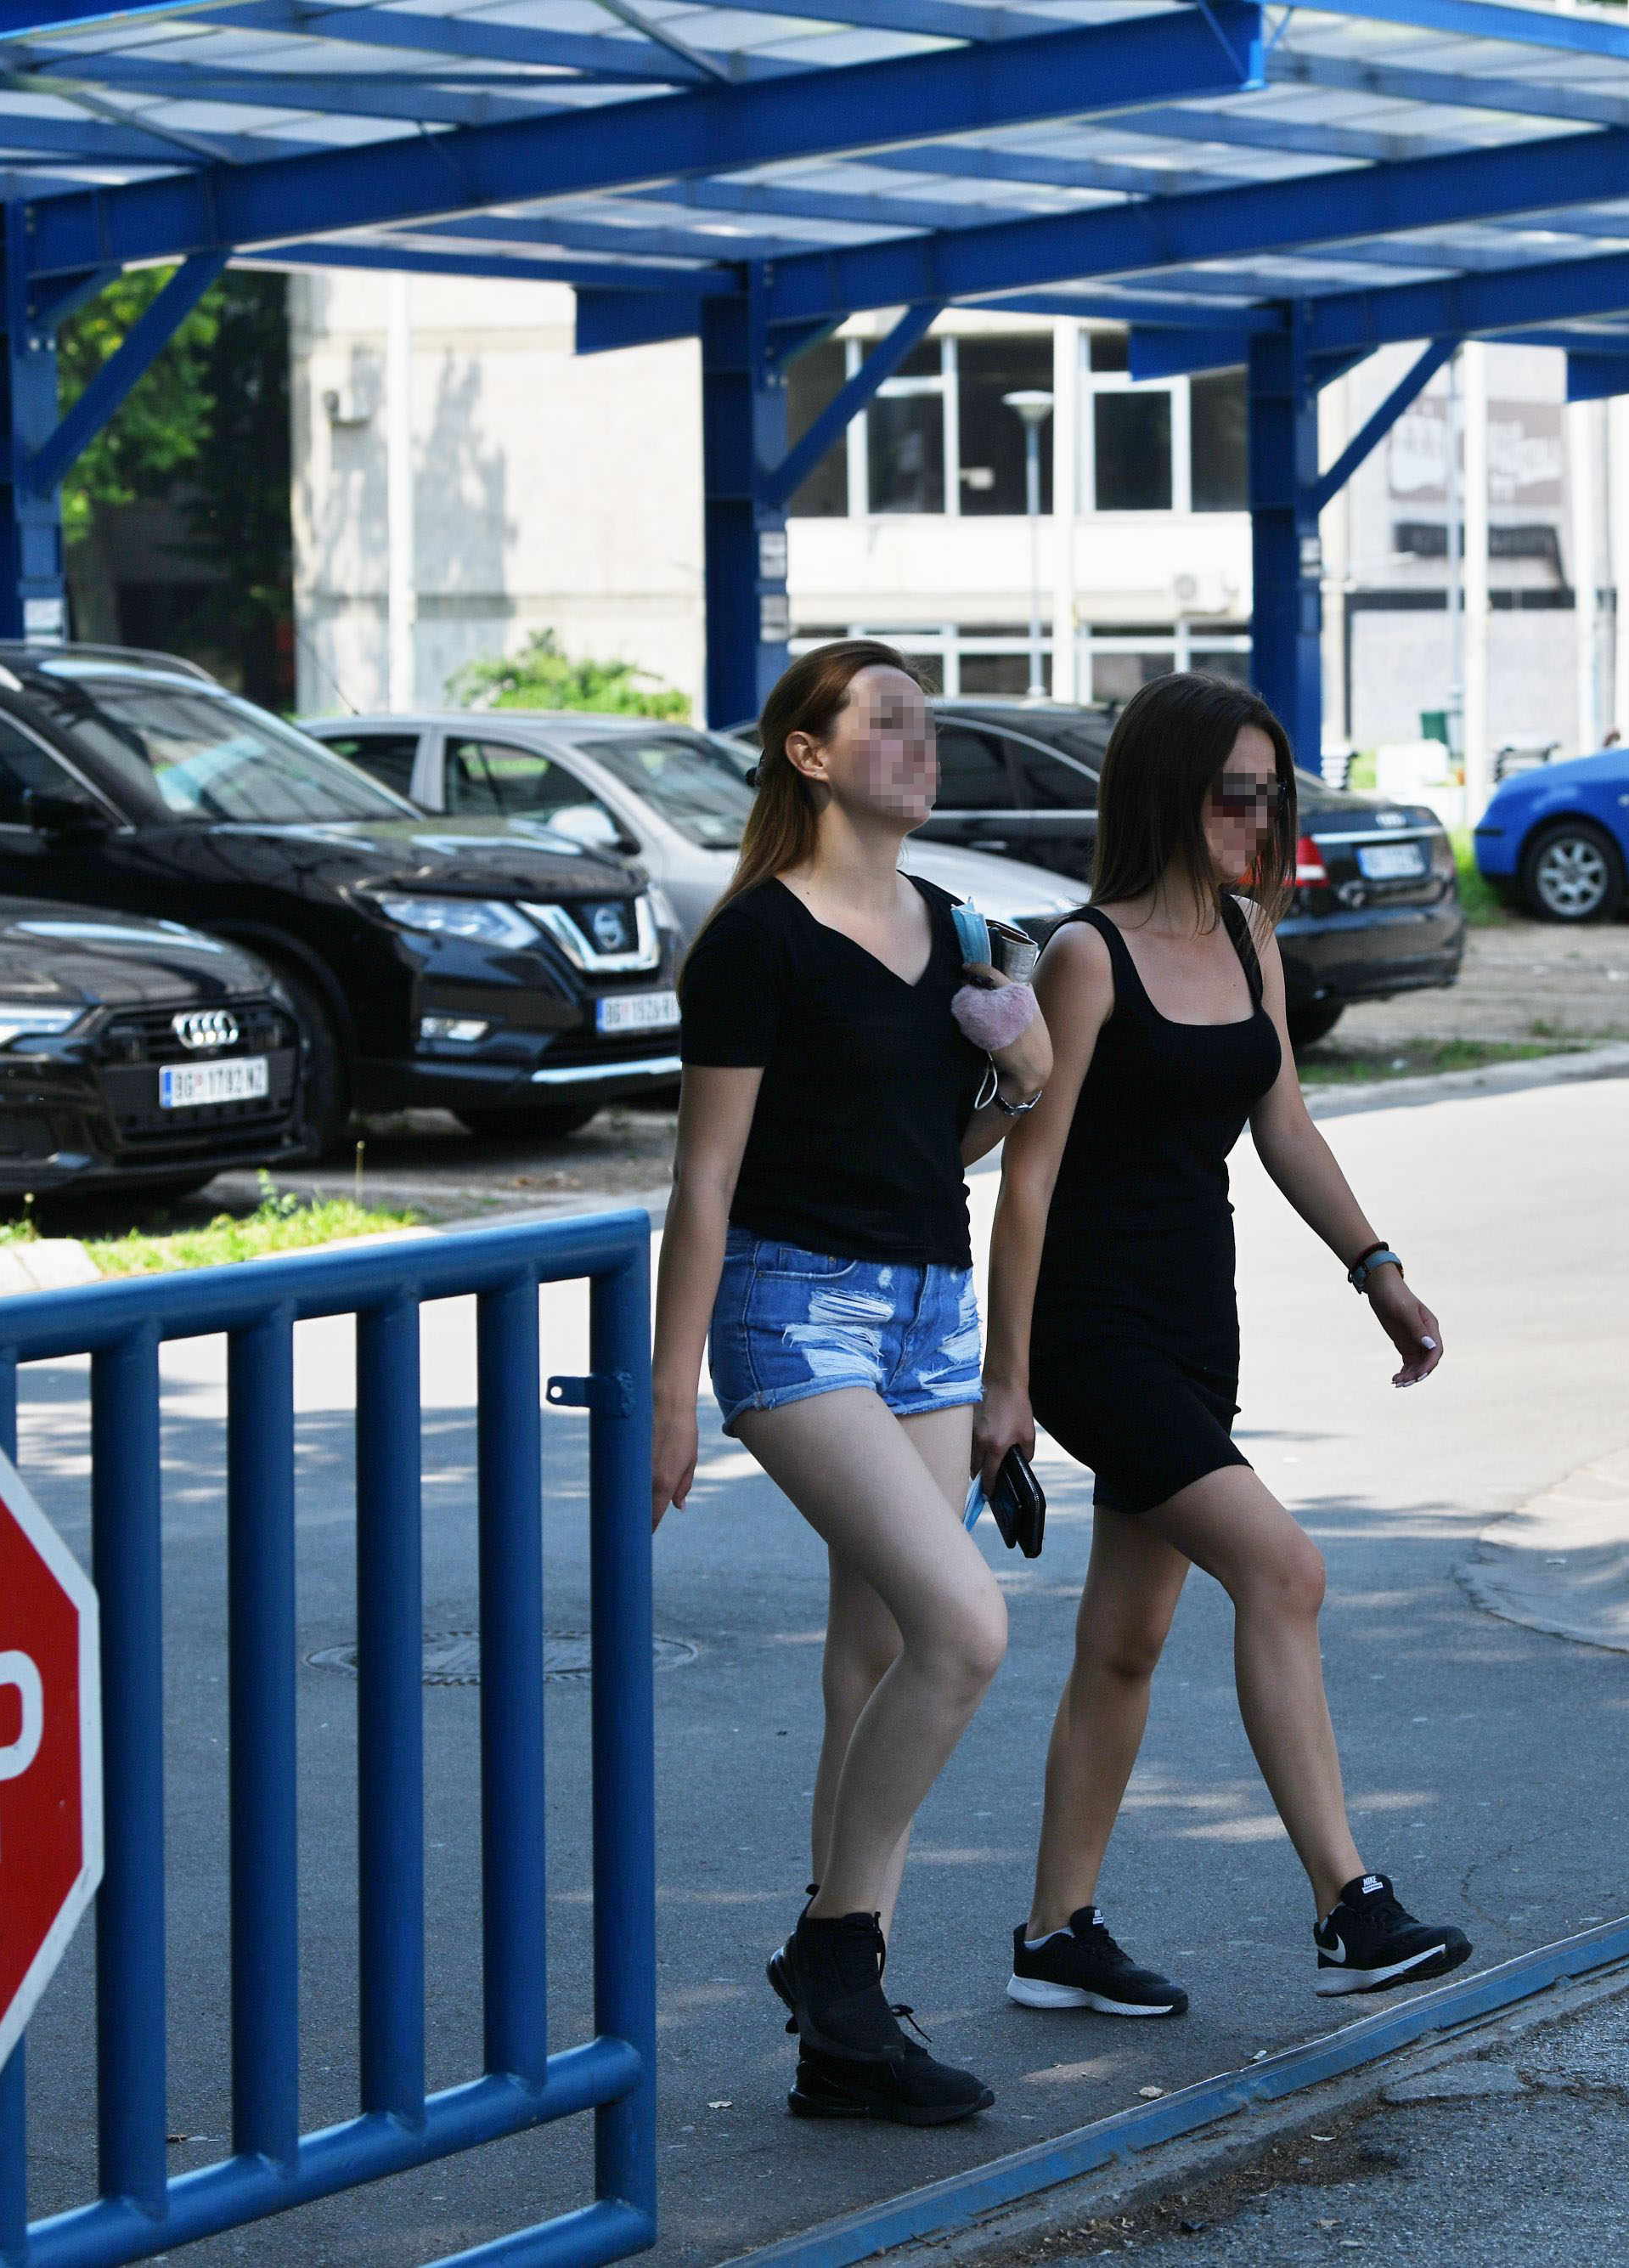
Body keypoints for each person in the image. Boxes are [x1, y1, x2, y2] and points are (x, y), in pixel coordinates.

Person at [978, 671, 1472, 2023]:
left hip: (1199, 1319)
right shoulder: (1088, 956)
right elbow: (1027, 1177)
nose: (1257, 821)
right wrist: (1008, 1380)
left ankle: (1055, 1934)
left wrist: (1377, 1270)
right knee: (1285, 1569)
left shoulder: (1252, 940)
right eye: (1230, 797)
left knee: (1128, 1637)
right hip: (1094, 1329)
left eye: (1270, 796)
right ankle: (1348, 1906)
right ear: (1165, 795)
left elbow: (1285, 1125)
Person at [653, 640, 1053, 2125]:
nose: (919, 743)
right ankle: (835, 1951)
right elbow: (704, 1183)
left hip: (929, 1314)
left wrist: (1023, 1077)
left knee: (877, 1654)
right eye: (887, 721)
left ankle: (845, 2037)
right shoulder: (756, 940)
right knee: (966, 1624)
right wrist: (672, 1392)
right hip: (793, 1309)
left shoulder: (957, 930)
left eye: (927, 723)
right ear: (809, 755)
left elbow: (935, 1148)